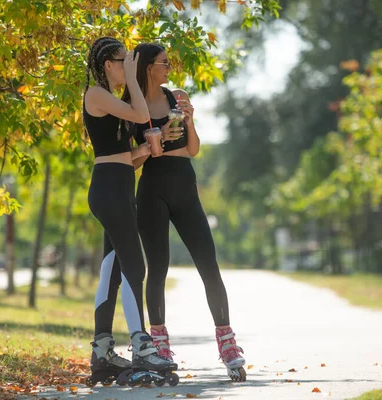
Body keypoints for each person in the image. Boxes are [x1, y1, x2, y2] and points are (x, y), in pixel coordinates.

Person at [127, 42, 247, 382]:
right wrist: (156, 141)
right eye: (164, 62)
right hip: (152, 190)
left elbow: (192, 150)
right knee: (159, 269)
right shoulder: (132, 107)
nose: (170, 67)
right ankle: (160, 347)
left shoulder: (176, 97)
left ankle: (228, 344)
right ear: (149, 66)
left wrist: (190, 121)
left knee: (209, 264)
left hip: (185, 186)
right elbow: (131, 162)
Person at [82, 37, 177, 386]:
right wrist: (137, 80)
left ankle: (102, 351)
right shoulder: (96, 94)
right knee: (134, 266)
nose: (130, 67)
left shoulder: (114, 100)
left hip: (120, 185)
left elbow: (127, 157)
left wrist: (155, 143)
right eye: (126, 61)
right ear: (109, 64)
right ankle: (142, 346)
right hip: (108, 188)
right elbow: (140, 114)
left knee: (112, 270)